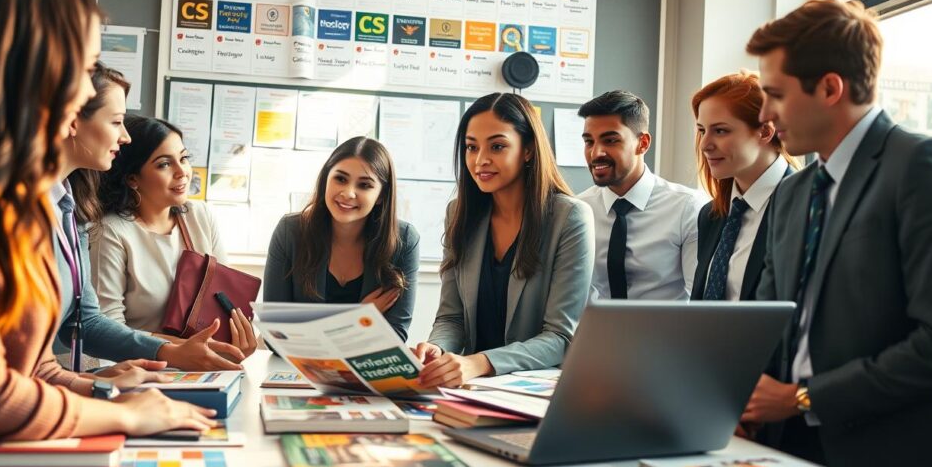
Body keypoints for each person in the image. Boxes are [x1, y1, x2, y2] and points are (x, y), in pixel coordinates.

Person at [0, 0, 215, 440]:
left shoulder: (17, 201)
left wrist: (104, 393)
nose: (85, 90)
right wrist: (125, 415)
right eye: (83, 66)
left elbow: (31, 367)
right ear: (34, 74)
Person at [743, 0, 932, 467]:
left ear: (829, 88)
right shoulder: (793, 192)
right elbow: (768, 322)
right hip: (786, 453)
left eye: (775, 94)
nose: (764, 115)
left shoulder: (925, 166)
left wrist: (803, 398)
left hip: (899, 462)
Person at [54, 63, 245, 371]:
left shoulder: (71, 212)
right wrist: (173, 351)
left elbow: (83, 322)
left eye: (183, 158)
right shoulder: (99, 227)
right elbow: (84, 329)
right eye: (116, 121)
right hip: (134, 370)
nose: (124, 136)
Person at [413, 93, 595, 388]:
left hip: (536, 390)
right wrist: (438, 349)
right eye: (471, 147)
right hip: (473, 389)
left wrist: (480, 362)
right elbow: (452, 318)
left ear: (527, 150)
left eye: (497, 146)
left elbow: (561, 337)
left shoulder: (570, 217)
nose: (480, 160)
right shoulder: (459, 213)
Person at [92, 116, 257, 358]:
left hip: (203, 366)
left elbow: (224, 301)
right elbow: (109, 329)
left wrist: (238, 339)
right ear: (132, 178)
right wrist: (181, 350)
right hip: (141, 369)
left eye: (184, 158)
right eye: (164, 164)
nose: (182, 172)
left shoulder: (199, 215)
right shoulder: (111, 232)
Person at [264, 137, 420, 341]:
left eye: (364, 185)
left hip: (366, 369)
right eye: (341, 179)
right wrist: (359, 318)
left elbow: (394, 337)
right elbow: (275, 335)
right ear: (326, 179)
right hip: (297, 370)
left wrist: (313, 331)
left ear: (381, 196)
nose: (348, 193)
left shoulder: (405, 240)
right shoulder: (290, 232)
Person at [577, 91, 706, 300]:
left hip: (665, 331)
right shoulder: (578, 210)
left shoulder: (688, 208)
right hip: (595, 331)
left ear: (643, 143)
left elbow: (700, 299)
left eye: (610, 140)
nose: (596, 153)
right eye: (589, 142)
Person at [691, 71, 798, 301]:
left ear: (766, 131)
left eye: (720, 130)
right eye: (701, 131)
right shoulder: (710, 215)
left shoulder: (804, 207)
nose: (705, 145)